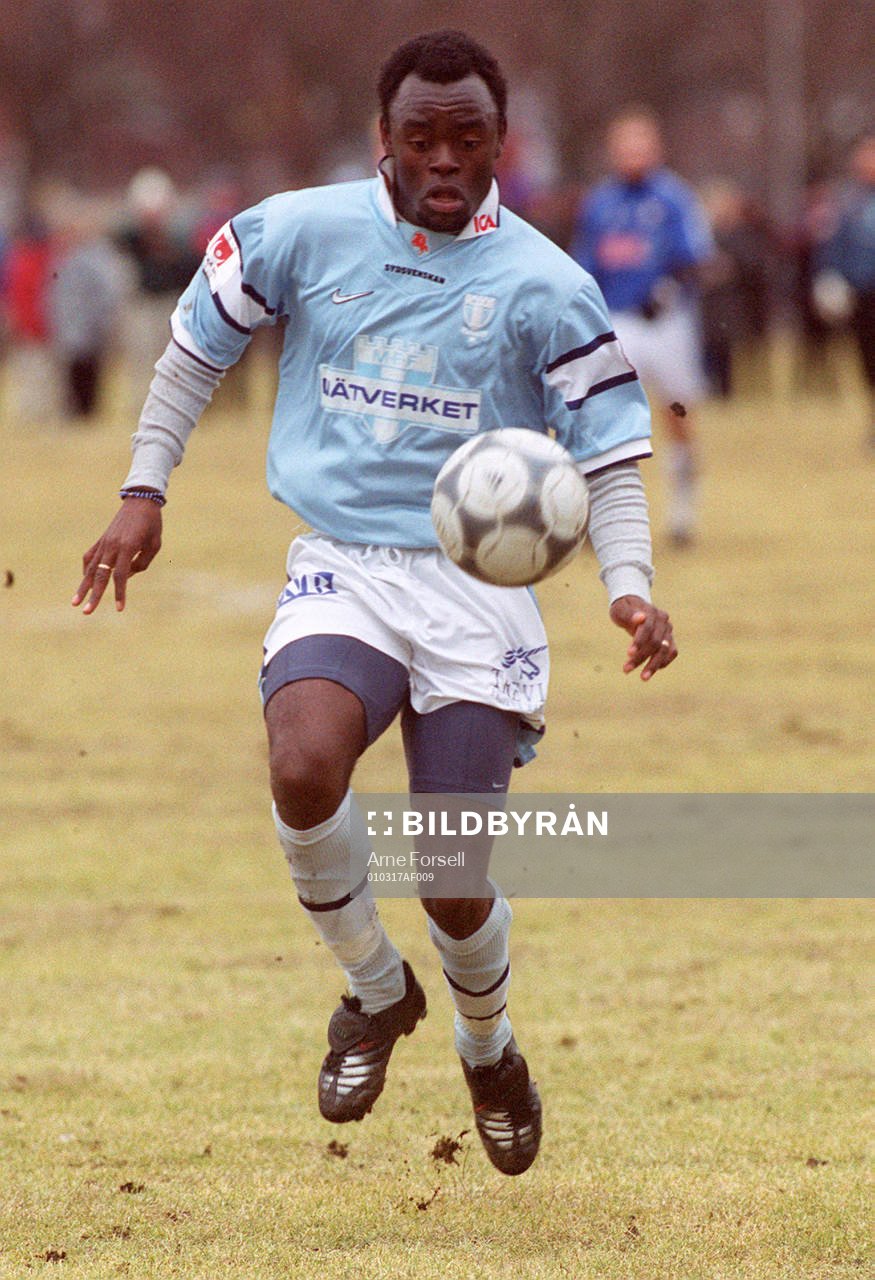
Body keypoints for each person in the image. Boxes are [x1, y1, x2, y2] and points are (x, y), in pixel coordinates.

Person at [72, 30, 677, 1177]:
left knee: (449, 881)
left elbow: (605, 459)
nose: (444, 160)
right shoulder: (296, 231)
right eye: (421, 137)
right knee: (303, 765)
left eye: (470, 138)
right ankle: (372, 988)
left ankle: (486, 1044)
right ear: (380, 140)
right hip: (344, 561)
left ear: (502, 143)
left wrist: (630, 589)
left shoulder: (549, 286)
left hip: (475, 594)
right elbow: (192, 351)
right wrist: (142, 488)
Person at [570, 108, 714, 546]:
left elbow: (697, 258)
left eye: (640, 144)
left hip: (666, 323)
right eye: (624, 144)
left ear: (656, 148)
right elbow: (584, 266)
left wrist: (670, 287)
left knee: (677, 411)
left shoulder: (673, 198)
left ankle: (683, 509)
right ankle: (596, 518)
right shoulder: (600, 203)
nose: (632, 153)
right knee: (601, 415)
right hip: (619, 321)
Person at [815, 135, 875, 449]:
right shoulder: (848, 202)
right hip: (863, 294)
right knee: (869, 360)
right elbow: (832, 246)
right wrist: (829, 279)